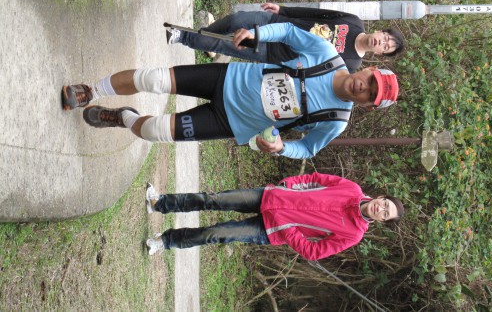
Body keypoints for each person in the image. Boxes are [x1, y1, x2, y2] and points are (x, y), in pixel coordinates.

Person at [62, 22, 399, 159]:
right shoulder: (327, 55)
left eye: (370, 94)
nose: (364, 87)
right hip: (227, 78)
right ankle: (91, 91)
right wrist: (257, 33)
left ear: (367, 105)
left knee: (153, 131)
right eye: (370, 80)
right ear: (368, 69)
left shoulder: (336, 120)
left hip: (230, 122)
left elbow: (308, 149)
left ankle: (124, 117)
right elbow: (288, 31)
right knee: (154, 79)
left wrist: (282, 148)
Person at [144, 172, 405, 260]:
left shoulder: (354, 234)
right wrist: (289, 185)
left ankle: (166, 241)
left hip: (270, 231)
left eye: (386, 214)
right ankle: (160, 203)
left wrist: (287, 226)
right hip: (271, 197)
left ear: (382, 222)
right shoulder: (352, 189)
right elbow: (315, 179)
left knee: (216, 234)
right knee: (213, 199)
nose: (381, 209)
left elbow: (314, 252)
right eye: (385, 204)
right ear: (381, 197)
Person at [166, 3, 405, 72]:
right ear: (380, 31)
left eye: (386, 47)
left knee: (228, 43)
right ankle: (202, 36)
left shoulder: (351, 64)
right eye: (385, 37)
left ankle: (182, 36)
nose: (382, 42)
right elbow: (316, 14)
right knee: (235, 20)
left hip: (276, 51)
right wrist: (284, 10)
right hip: (279, 23)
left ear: (380, 54)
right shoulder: (353, 21)